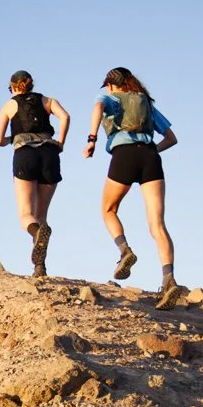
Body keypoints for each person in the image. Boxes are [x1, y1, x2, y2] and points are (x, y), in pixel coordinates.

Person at [82, 66, 180, 305]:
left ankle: (125, 250)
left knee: (108, 209)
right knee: (157, 225)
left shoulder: (109, 97)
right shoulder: (145, 102)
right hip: (150, 158)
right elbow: (171, 138)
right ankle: (169, 280)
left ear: (111, 84)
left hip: (123, 155)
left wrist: (92, 139)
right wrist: (149, 152)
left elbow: (97, 108)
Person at [0, 71, 72, 277]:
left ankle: (37, 234)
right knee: (41, 215)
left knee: (26, 215)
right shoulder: (47, 100)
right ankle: (40, 267)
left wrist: (15, 138)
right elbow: (65, 117)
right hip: (50, 154)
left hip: (25, 155)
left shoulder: (10, 105)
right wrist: (60, 143)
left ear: (14, 87)